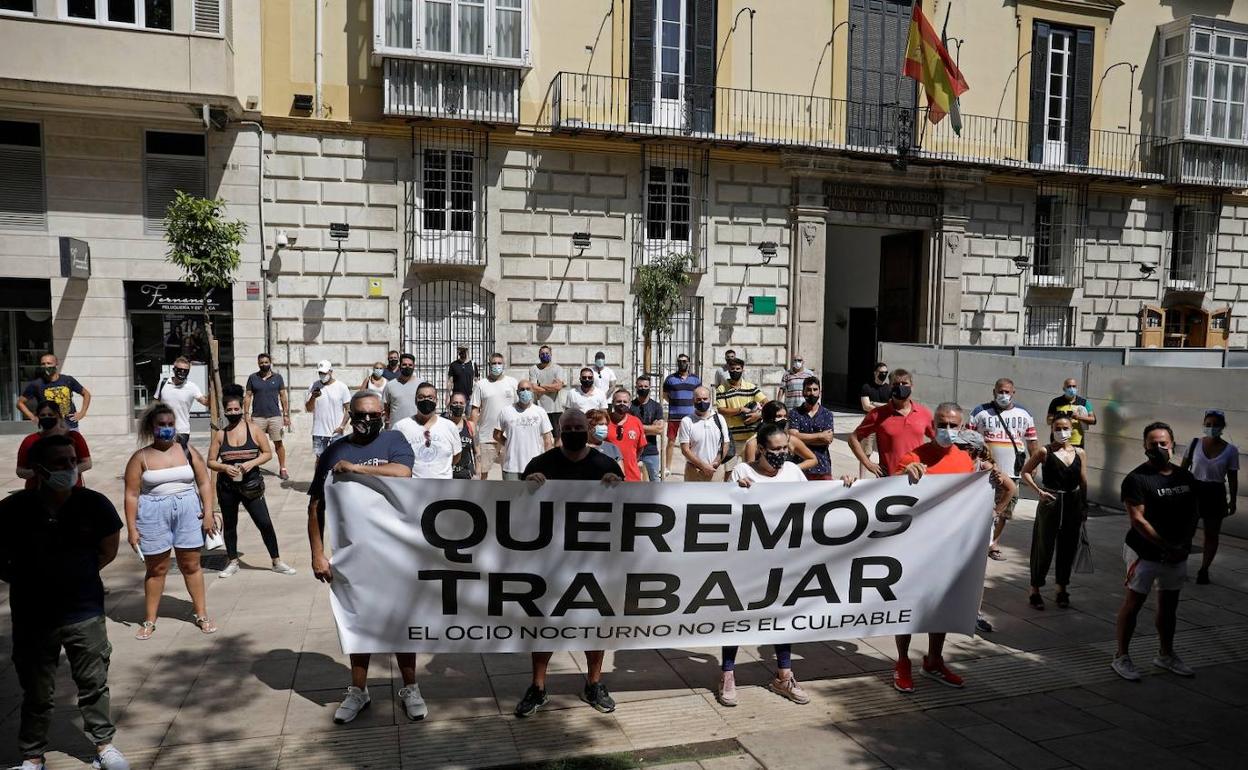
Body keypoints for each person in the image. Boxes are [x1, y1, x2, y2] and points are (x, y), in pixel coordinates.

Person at [0, 435, 132, 770]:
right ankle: (32, 756)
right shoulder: (14, 509)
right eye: (60, 462)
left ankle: (104, 747)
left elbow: (108, 550)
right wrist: (29, 579)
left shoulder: (94, 504)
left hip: (83, 611)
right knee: (37, 689)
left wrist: (77, 574)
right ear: (39, 469)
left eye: (72, 461)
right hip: (33, 616)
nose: (69, 468)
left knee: (93, 682)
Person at [307, 390, 426, 723]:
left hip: (395, 551)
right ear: (351, 412)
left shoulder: (394, 440)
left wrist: (356, 469)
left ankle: (411, 687)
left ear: (383, 413)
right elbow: (315, 506)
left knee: (401, 622)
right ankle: (358, 691)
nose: (367, 420)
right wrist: (317, 553)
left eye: (374, 414)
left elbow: (403, 472)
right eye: (361, 414)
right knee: (357, 622)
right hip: (353, 553)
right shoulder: (334, 450)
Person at [515, 409, 624, 717]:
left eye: (579, 427)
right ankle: (537, 688)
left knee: (594, 624)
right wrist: (528, 486)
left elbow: (625, 511)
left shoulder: (605, 464)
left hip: (594, 560)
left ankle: (594, 683)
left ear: (587, 429)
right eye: (569, 427)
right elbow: (517, 510)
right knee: (544, 624)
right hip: (549, 561)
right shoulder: (541, 464)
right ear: (560, 430)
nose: (574, 431)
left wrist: (617, 486)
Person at [720, 423, 823, 707]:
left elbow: (814, 503)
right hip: (748, 561)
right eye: (775, 450)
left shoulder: (792, 472)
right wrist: (736, 492)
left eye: (784, 449)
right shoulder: (743, 472)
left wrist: (847, 486)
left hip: (783, 560)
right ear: (761, 449)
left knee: (782, 617)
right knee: (736, 617)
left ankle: (784, 675)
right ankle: (728, 673)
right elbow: (723, 511)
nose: (781, 454)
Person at [890, 402, 975, 692]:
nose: (947, 430)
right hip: (915, 547)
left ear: (962, 428)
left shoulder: (965, 460)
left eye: (953, 425)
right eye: (942, 424)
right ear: (932, 426)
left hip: (948, 546)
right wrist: (905, 474)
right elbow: (888, 494)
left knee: (942, 605)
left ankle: (934, 659)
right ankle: (902, 661)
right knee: (908, 606)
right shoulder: (915, 457)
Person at [1112, 422, 1199, 681]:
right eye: (1153, 444)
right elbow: (1138, 521)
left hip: (1177, 552)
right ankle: (1121, 656)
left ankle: (1166, 654)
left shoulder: (1185, 477)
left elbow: (1193, 513)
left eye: (1163, 443)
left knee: (1169, 605)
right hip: (1144, 553)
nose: (1159, 448)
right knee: (1134, 603)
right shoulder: (1136, 479)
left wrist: (1183, 545)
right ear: (1144, 447)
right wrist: (1166, 546)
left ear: (1172, 445)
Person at [123, 403, 216, 640]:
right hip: (153, 514)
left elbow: (204, 482)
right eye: (161, 425)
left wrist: (208, 513)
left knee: (191, 565)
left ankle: (202, 613)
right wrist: (132, 528)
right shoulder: (140, 457)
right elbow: (131, 494)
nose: (166, 429)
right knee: (157, 568)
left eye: (170, 424)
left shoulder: (187, 451)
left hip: (188, 512)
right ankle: (149, 619)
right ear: (151, 427)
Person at [206, 385, 295, 579]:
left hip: (251, 485)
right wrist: (223, 467)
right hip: (227, 487)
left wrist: (251, 463)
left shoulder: (254, 429)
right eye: (229, 410)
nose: (233, 412)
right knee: (230, 524)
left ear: (241, 408)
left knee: (264, 522)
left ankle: (276, 560)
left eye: (236, 409)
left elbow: (267, 453)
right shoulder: (221, 435)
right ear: (225, 411)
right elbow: (210, 461)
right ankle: (232, 560)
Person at [1021, 415, 1087, 609]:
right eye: (1058, 428)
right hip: (1050, 501)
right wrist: (1038, 491)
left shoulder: (1080, 452)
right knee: (1043, 545)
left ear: (1072, 428)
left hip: (1072, 501)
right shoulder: (1044, 451)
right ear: (1052, 430)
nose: (1062, 432)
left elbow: (1083, 479)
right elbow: (1026, 471)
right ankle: (1035, 589)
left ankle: (1061, 588)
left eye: (1065, 427)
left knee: (1068, 546)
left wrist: (1084, 504)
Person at [970, 378, 1039, 561]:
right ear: (994, 392)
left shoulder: (1024, 414)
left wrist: (1033, 463)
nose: (1003, 395)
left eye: (1007, 392)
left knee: (1003, 511)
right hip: (984, 472)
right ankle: (977, 542)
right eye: (1000, 391)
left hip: (1012, 472)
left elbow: (1032, 441)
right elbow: (969, 439)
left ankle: (993, 543)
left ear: (1013, 393)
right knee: (982, 508)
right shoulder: (980, 412)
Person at [1181, 409, 1239, 584]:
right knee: (1185, 533)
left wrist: (1233, 501)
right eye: (1208, 425)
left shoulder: (1230, 450)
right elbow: (1182, 471)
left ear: (1222, 427)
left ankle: (1204, 570)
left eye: (1215, 425)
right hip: (1194, 490)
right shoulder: (1194, 444)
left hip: (1216, 492)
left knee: (1211, 535)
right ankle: (1179, 567)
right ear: (1203, 425)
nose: (1211, 428)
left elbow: (1232, 477)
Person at [848, 369, 934, 478]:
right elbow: (853, 439)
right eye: (896, 384)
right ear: (890, 387)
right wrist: (868, 464)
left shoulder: (924, 413)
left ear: (912, 386)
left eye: (904, 383)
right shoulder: (878, 414)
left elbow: (937, 441)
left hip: (918, 477)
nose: (901, 386)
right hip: (889, 480)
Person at [16, 400, 92, 490]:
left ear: (58, 416)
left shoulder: (74, 437)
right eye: (43, 415)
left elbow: (87, 463)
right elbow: (20, 471)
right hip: (37, 491)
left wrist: (66, 474)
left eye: (50, 415)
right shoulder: (30, 440)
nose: (47, 418)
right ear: (38, 418)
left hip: (72, 489)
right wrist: (39, 472)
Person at [394, 382, 462, 479]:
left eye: (430, 398)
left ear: (436, 401)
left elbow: (457, 455)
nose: (426, 400)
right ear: (415, 400)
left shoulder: (450, 427)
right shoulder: (401, 427)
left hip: (443, 488)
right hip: (413, 487)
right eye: (421, 397)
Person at [494, 380, 554, 480]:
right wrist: (509, 443)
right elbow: (496, 434)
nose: (525, 392)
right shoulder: (506, 411)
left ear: (532, 391)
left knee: (534, 495)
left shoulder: (540, 412)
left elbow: (547, 440)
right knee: (511, 495)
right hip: (511, 466)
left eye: (528, 389)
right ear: (517, 392)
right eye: (522, 389)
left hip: (534, 466)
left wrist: (546, 463)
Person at [245, 352, 291, 480]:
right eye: (261, 363)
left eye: (266, 362)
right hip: (257, 417)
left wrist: (286, 414)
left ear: (270, 362)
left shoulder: (278, 378)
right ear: (258, 364)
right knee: (256, 445)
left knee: (278, 443)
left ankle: (283, 468)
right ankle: (255, 469)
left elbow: (283, 396)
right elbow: (248, 396)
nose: (264, 365)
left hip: (274, 416)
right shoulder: (253, 378)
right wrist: (246, 414)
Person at [471, 353, 518, 479]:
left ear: (503, 365)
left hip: (507, 437)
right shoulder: (481, 384)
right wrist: (472, 430)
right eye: (494, 363)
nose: (496, 366)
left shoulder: (512, 383)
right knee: (482, 474)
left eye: (499, 363)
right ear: (489, 365)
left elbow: (519, 407)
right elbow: (475, 409)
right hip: (486, 437)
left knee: (509, 475)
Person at [18, 353, 91, 431]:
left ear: (56, 364)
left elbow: (86, 394)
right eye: (43, 364)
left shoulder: (68, 380)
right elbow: (20, 403)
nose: (46, 366)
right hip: (49, 428)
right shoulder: (36, 384)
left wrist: (82, 413)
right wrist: (32, 417)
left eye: (49, 363)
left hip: (70, 426)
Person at [715, 356, 767, 464]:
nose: (735, 371)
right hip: (732, 438)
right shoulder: (722, 388)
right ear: (728, 370)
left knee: (751, 469)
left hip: (751, 437)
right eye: (732, 369)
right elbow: (721, 410)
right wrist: (740, 410)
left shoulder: (751, 387)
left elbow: (766, 403)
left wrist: (758, 415)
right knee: (729, 473)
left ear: (743, 370)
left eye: (738, 369)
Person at [742, 401, 818, 472]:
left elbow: (812, 459)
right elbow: (750, 471)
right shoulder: (753, 444)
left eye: (785, 416)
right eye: (779, 416)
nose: (783, 419)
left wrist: (792, 469)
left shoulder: (791, 440)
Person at [678, 387, 731, 481]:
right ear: (693, 401)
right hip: (694, 472)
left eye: (705, 399)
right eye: (698, 399)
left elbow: (725, 444)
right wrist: (703, 466)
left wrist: (716, 463)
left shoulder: (719, 419)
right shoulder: (687, 421)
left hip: (715, 471)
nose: (702, 402)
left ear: (710, 399)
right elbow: (685, 450)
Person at [789, 377, 836, 480]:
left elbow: (827, 440)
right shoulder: (795, 413)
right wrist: (819, 436)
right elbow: (792, 437)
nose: (812, 393)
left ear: (820, 392)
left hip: (822, 466)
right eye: (808, 390)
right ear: (803, 392)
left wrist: (800, 440)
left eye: (815, 389)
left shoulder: (827, 414)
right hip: (800, 466)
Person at [155, 357, 209, 446]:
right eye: (180, 370)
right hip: (163, 428)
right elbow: (156, 403)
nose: (182, 372)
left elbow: (205, 402)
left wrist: (211, 392)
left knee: (180, 456)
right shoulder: (163, 383)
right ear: (174, 370)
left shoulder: (192, 387)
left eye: (185, 370)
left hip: (182, 430)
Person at [662, 354, 701, 476]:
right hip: (674, 415)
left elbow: (699, 395)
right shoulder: (670, 379)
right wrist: (675, 403)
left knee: (691, 443)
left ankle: (693, 465)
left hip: (691, 417)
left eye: (684, 361)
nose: (682, 363)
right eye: (680, 361)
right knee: (671, 442)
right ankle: (667, 467)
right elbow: (665, 395)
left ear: (689, 362)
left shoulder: (695, 379)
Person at [305, 360, 352, 459]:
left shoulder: (341, 387)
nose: (322, 375)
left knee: (337, 459)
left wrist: (342, 427)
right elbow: (309, 409)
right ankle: (320, 475)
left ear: (331, 371)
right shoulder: (314, 386)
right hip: (318, 432)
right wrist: (313, 397)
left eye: (325, 373)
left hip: (336, 432)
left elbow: (348, 409)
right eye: (320, 373)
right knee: (320, 461)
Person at [606, 388, 648, 482]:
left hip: (632, 476)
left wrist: (632, 461)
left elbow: (641, 447)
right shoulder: (605, 421)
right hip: (610, 477)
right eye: (618, 401)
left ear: (629, 404)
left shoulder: (636, 422)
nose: (622, 404)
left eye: (625, 401)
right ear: (612, 403)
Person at [631, 375, 665, 482]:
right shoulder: (630, 406)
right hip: (633, 450)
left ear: (650, 387)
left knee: (655, 479)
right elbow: (628, 428)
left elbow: (659, 430)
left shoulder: (656, 406)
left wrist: (636, 426)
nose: (643, 388)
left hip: (651, 450)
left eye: (646, 386)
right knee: (632, 479)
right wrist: (651, 427)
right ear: (636, 387)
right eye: (640, 386)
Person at [1046, 377, 1096, 448]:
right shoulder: (1056, 402)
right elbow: (1048, 420)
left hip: (1076, 442)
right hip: (1057, 442)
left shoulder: (1084, 402)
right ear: (1064, 389)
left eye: (1074, 386)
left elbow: (1093, 420)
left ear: (1077, 388)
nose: (1072, 389)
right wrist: (1062, 417)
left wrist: (1078, 417)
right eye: (1069, 386)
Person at [529, 345, 566, 431]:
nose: (545, 355)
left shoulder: (558, 369)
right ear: (539, 356)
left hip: (556, 409)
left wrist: (540, 385)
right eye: (542, 354)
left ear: (551, 355)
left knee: (557, 437)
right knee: (541, 436)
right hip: (539, 409)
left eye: (547, 353)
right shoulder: (534, 369)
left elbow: (558, 387)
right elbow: (533, 387)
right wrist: (551, 387)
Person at [446, 392, 479, 480]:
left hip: (466, 474)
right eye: (455, 403)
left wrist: (477, 473)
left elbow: (477, 452)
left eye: (461, 403)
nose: (458, 405)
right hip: (447, 474)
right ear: (450, 404)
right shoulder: (443, 426)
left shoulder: (470, 426)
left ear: (465, 405)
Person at [383, 353, 420, 427]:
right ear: (399, 366)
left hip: (416, 426)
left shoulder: (421, 385)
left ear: (414, 367)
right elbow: (386, 407)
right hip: (396, 428)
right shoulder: (390, 385)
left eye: (410, 365)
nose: (407, 367)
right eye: (404, 364)